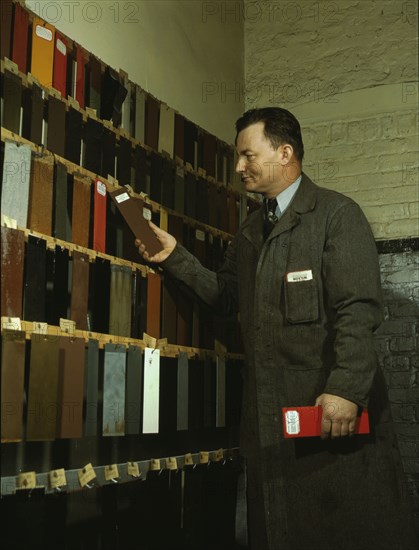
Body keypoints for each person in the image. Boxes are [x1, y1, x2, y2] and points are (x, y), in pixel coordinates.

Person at [136, 107, 417, 550]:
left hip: (328, 417)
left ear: (285, 152)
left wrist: (345, 389)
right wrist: (174, 257)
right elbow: (226, 298)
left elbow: (358, 310)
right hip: (270, 424)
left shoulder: (337, 216)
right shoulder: (251, 230)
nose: (239, 168)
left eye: (248, 155)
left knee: (347, 530)